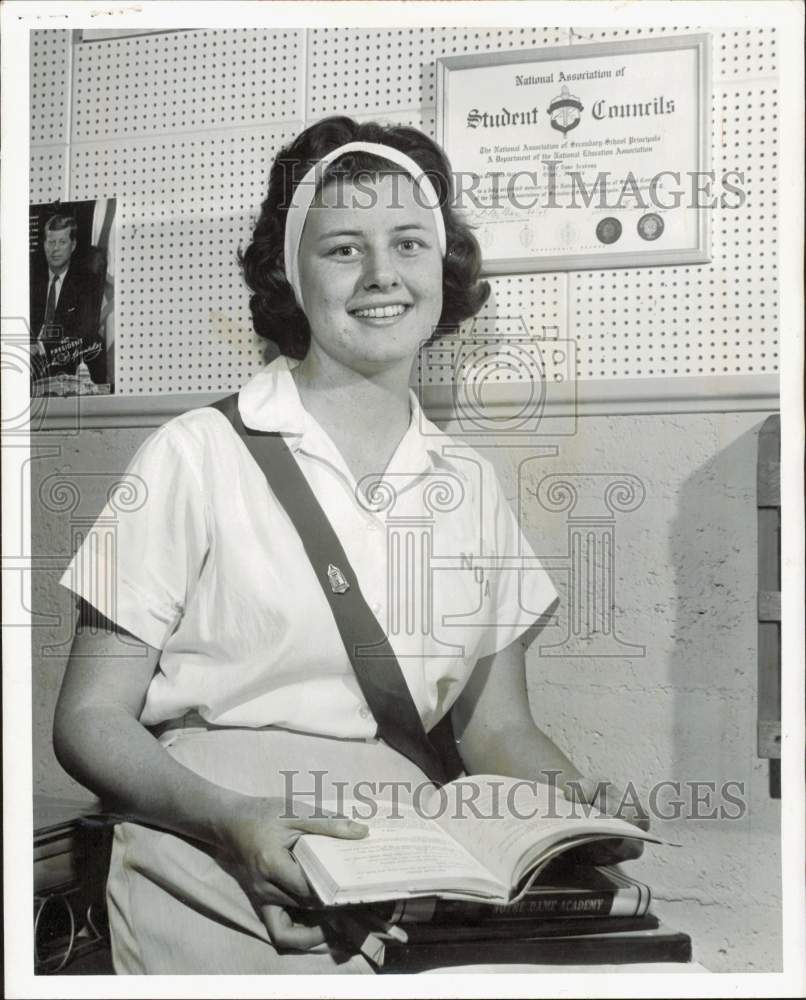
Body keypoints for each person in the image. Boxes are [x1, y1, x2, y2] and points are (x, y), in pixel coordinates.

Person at [53, 116, 647, 975]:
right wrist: (230, 819)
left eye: (409, 242)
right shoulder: (195, 452)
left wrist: (571, 806)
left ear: (442, 270)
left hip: (400, 861)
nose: (381, 275)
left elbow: (500, 731)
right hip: (210, 840)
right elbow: (87, 719)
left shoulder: (470, 483)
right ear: (290, 274)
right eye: (342, 248)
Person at [30, 214, 106, 387]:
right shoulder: (30, 282)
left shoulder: (86, 284)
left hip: (65, 371)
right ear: (43, 245)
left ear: (73, 246)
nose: (55, 249)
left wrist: (39, 348)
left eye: (62, 242)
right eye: (50, 242)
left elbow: (83, 334)